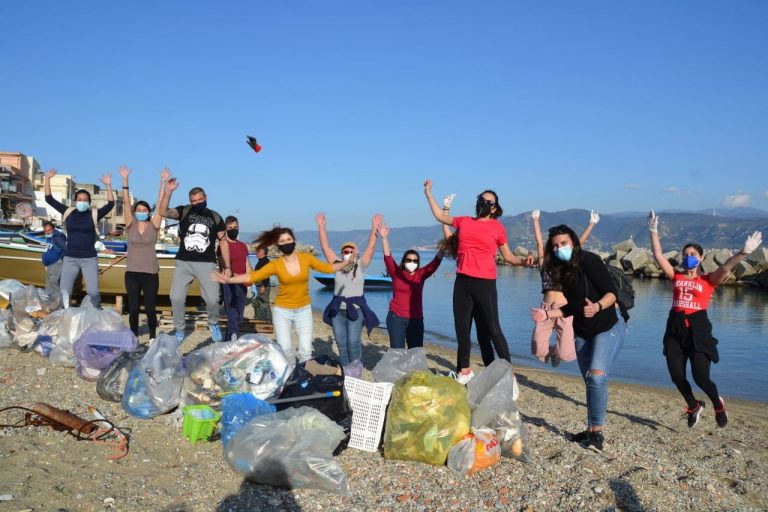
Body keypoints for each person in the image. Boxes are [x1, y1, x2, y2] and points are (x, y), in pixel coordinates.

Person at [648, 210, 762, 428]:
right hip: (675, 328)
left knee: (701, 378)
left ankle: (718, 405)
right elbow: (658, 256)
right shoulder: (677, 276)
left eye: (692, 254)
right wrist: (653, 231)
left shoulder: (708, 280)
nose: (687, 257)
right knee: (676, 375)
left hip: (698, 331)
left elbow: (727, 266)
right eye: (685, 254)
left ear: (701, 258)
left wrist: (744, 252)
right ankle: (693, 405)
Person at [530, 224, 628, 452]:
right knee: (590, 380)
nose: (559, 248)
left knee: (596, 376)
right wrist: (546, 313)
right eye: (554, 245)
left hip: (609, 325)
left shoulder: (589, 260)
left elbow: (611, 291)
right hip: (584, 330)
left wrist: (598, 306)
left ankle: (597, 434)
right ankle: (591, 429)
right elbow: (571, 307)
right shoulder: (561, 271)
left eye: (563, 243)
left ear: (573, 242)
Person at [424, 180, 532, 384]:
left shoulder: (497, 228)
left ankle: (508, 375)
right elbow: (439, 216)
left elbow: (508, 256)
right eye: (481, 199)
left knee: (493, 328)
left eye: (488, 201)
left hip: (485, 284)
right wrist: (429, 193)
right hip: (462, 282)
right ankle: (464, 371)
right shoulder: (464, 221)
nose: (483, 203)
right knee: (462, 328)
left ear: (495, 208)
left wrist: (524, 262)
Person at [211, 226, 350, 363]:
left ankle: (301, 380)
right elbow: (252, 277)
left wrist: (347, 261)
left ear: (294, 240)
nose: (286, 243)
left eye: (288, 239)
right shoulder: (276, 264)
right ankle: (289, 379)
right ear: (278, 245)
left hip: (304, 310)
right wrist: (229, 279)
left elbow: (328, 268)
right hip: (282, 312)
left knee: (305, 352)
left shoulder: (306, 258)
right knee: (286, 351)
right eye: (282, 241)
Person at [158, 178, 229, 344]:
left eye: (200, 200)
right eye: (194, 201)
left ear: (206, 198)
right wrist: (169, 191)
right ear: (190, 201)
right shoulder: (184, 211)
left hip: (207, 263)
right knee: (175, 297)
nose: (197, 203)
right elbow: (162, 212)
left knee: (212, 299)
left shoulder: (215, 216)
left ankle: (214, 323)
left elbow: (224, 242)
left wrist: (227, 265)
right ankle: (180, 330)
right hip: (184, 262)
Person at [530, 209, 600, 367]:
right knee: (538, 351)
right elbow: (539, 244)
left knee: (566, 355)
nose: (558, 249)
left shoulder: (567, 265)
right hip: (546, 309)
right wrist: (535, 220)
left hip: (564, 309)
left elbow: (578, 244)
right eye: (555, 246)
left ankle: (558, 351)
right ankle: (551, 350)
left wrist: (592, 223)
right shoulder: (544, 264)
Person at [316, 213, 381, 368]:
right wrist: (321, 228)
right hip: (337, 310)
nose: (348, 253)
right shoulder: (336, 265)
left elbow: (371, 247)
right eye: (345, 251)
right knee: (341, 342)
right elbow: (325, 247)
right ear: (341, 254)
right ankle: (346, 370)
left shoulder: (361, 264)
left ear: (356, 252)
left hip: (356, 310)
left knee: (353, 342)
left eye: (351, 251)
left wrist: (374, 228)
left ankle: (356, 369)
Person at [44, 168, 114, 308]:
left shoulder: (94, 214)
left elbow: (111, 204)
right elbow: (49, 199)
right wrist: (47, 179)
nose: (82, 202)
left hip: (89, 259)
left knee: (93, 293)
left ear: (89, 202)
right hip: (70, 258)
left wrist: (108, 185)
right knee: (65, 293)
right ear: (75, 201)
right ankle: (65, 318)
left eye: (85, 200)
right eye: (80, 199)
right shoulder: (68, 212)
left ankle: (95, 317)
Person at [378, 222, 443, 349]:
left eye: (415, 260)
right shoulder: (397, 273)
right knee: (397, 352)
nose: (411, 262)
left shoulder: (421, 274)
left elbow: (435, 262)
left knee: (416, 353)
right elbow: (388, 258)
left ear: (418, 263)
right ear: (404, 261)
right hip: (396, 318)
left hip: (416, 319)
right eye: (409, 260)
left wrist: (444, 247)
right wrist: (384, 238)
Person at [120, 166, 164, 340]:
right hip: (132, 273)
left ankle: (152, 337)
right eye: (138, 210)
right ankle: (134, 338)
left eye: (144, 210)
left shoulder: (154, 226)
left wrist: (162, 181)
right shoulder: (130, 225)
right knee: (133, 309)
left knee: (150, 308)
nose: (141, 212)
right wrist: (125, 179)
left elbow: (160, 204)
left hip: (150, 274)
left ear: (148, 212)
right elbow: (125, 201)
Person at [218, 215, 252, 342]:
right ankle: (233, 339)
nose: (234, 229)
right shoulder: (223, 245)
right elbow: (222, 265)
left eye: (236, 227)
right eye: (230, 227)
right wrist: (235, 276)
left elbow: (247, 264)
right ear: (226, 229)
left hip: (242, 284)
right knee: (231, 314)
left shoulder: (243, 246)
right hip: (229, 284)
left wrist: (250, 279)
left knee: (239, 315)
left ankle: (227, 342)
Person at [41, 220, 67, 295]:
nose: (47, 232)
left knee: (54, 284)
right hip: (49, 265)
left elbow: (65, 248)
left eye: (49, 230)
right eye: (45, 231)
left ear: (53, 229)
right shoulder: (49, 238)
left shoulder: (57, 238)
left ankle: (58, 301)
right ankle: (49, 301)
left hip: (56, 264)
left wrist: (60, 259)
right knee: (49, 284)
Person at [250, 246, 272, 323]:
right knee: (255, 303)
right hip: (256, 286)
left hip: (263, 285)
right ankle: (258, 318)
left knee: (264, 303)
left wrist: (263, 286)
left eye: (258, 251)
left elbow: (267, 274)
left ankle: (268, 320)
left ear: (263, 252)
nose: (256, 252)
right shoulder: (260, 261)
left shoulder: (266, 261)